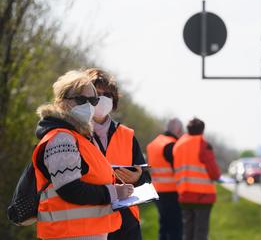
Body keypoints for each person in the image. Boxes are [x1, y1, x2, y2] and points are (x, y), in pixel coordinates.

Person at [33, 70, 134, 240]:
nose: (88, 106)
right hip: (68, 234)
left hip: (82, 232)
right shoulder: (62, 138)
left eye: (93, 100)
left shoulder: (79, 137)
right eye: (81, 99)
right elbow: (70, 189)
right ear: (62, 102)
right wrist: (114, 192)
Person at [84, 68, 151, 240]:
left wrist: (137, 179)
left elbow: (145, 179)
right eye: (96, 93)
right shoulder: (73, 134)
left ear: (113, 100)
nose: (102, 99)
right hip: (90, 220)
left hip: (126, 222)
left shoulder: (127, 135)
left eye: (107, 94)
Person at [173, 118, 221, 240]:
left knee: (187, 232)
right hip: (203, 197)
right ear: (202, 130)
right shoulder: (203, 145)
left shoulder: (178, 145)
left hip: (184, 195)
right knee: (200, 232)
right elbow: (215, 174)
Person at [147, 118, 184, 240]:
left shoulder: (154, 144)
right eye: (181, 130)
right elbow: (179, 170)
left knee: (164, 227)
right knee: (175, 229)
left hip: (156, 191)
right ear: (178, 130)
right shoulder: (172, 145)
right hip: (171, 192)